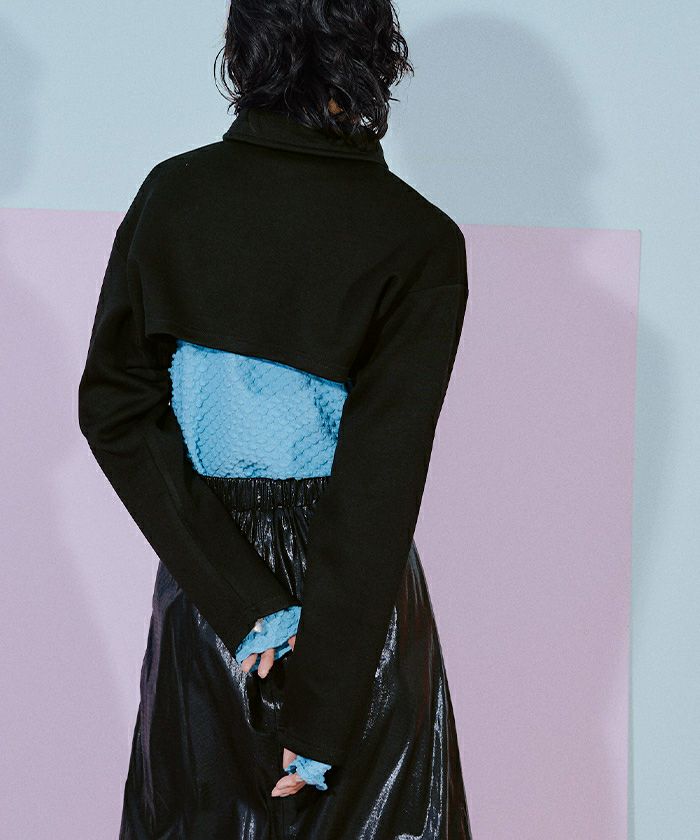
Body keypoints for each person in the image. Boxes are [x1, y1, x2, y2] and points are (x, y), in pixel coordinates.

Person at [77, 1, 473, 836]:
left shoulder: (175, 196)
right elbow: (378, 482)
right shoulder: (419, 238)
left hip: (211, 588)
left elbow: (115, 406)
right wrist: (323, 712)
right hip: (357, 621)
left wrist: (245, 601)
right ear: (372, 48)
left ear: (246, 45)